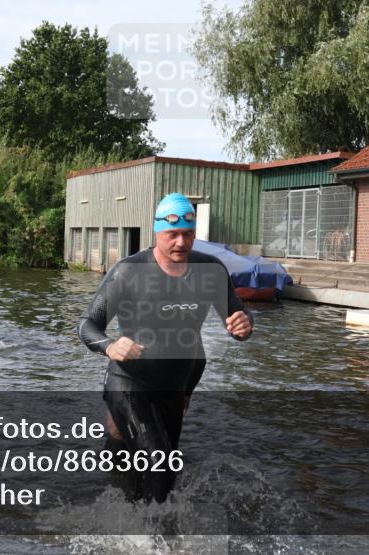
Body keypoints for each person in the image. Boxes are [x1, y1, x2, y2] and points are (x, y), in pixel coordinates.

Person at [77, 192, 253, 503]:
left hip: (175, 387)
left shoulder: (210, 271)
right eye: (172, 235)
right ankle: (148, 540)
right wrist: (110, 346)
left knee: (163, 478)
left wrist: (243, 325)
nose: (181, 243)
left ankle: (136, 521)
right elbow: (87, 325)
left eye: (187, 234)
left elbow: (238, 322)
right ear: (157, 231)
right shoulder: (129, 271)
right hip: (129, 380)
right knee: (158, 464)